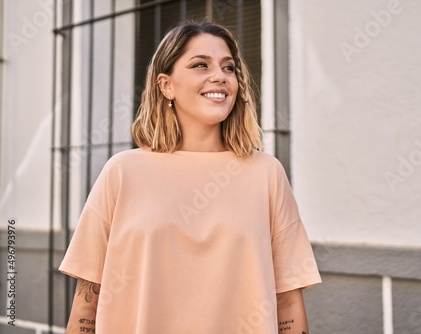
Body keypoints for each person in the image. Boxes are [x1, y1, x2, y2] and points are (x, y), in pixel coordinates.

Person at [59, 20, 321, 333]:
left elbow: (288, 301)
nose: (219, 77)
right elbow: (88, 300)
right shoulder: (122, 172)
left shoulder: (267, 174)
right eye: (201, 64)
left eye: (229, 67)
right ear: (166, 85)